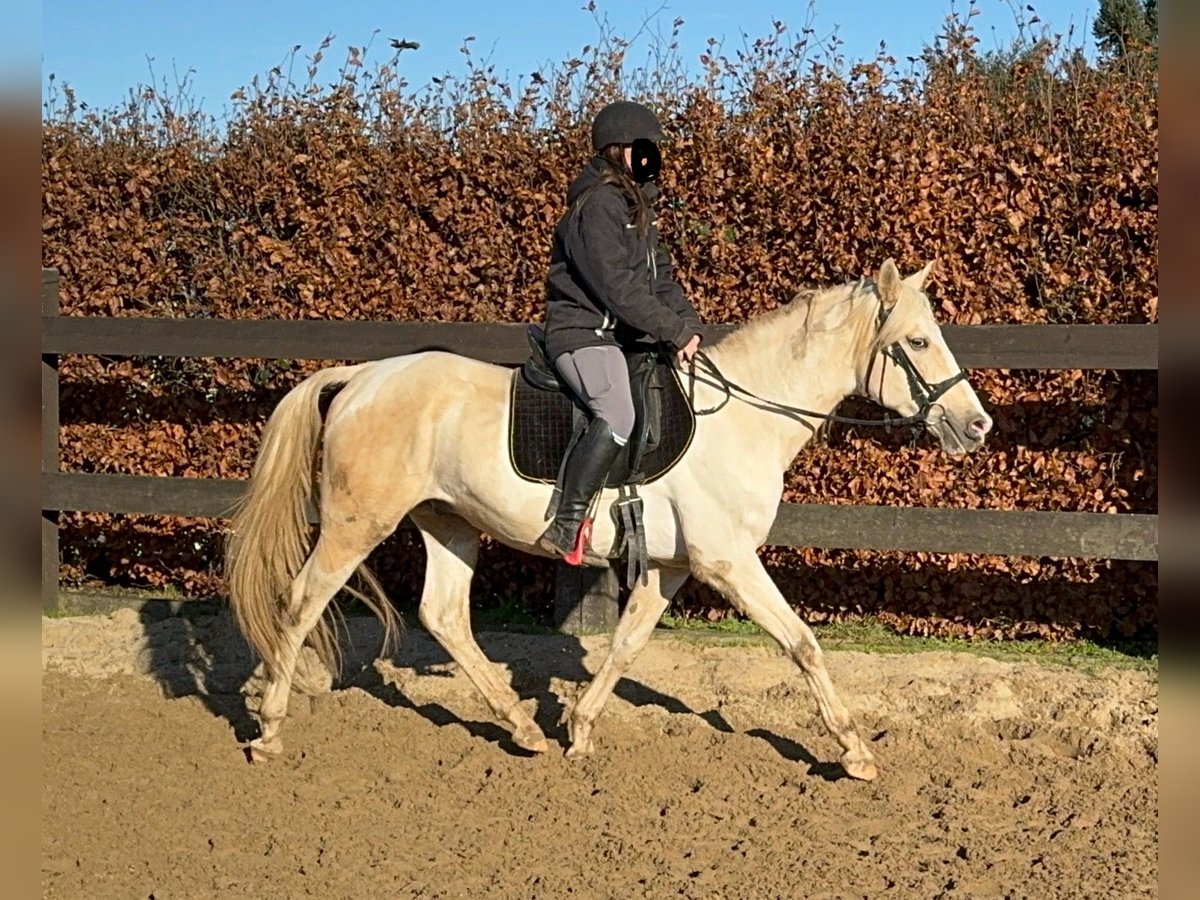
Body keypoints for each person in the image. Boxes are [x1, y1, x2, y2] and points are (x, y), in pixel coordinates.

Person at [538, 100, 704, 565]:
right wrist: (669, 329)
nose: (654, 158)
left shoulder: (638, 208)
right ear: (617, 150)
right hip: (583, 332)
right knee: (617, 412)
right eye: (644, 149)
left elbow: (661, 278)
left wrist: (688, 325)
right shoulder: (598, 206)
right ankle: (567, 523)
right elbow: (616, 286)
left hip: (619, 337)